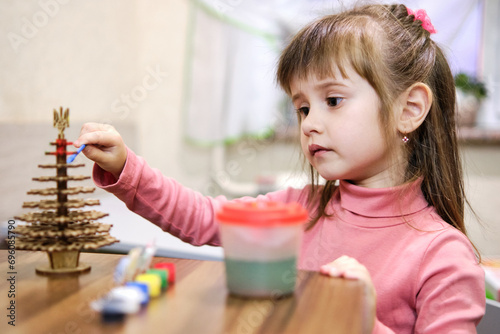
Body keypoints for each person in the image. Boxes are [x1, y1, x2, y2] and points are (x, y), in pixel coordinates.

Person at [74, 3, 485, 333]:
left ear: (409, 109)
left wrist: (360, 320)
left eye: (334, 100)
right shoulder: (297, 211)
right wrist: (127, 167)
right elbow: (201, 218)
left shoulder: (443, 257)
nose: (309, 123)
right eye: (302, 107)